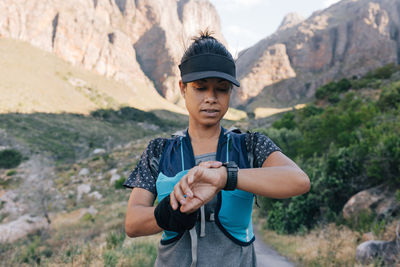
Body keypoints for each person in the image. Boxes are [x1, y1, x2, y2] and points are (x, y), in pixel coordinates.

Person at [124, 30, 310, 267]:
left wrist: (225, 177)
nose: (211, 98)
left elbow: (298, 180)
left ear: (230, 92)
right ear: (182, 88)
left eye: (221, 88)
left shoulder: (250, 145)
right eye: (200, 88)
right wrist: (172, 212)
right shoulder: (159, 151)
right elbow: (132, 223)